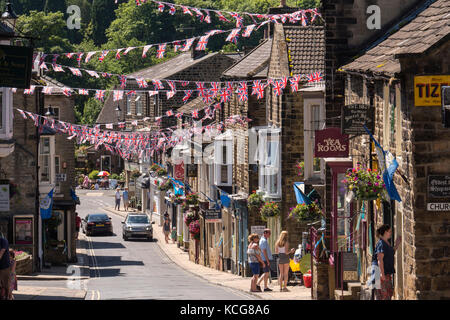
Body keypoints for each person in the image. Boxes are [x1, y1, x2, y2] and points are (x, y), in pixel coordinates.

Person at [372, 224, 401, 300]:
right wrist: (382, 274)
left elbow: (391, 252)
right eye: (390, 231)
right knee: (384, 295)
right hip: (380, 274)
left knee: (388, 293)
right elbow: (380, 260)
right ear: (385, 232)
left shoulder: (386, 243)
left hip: (385, 273)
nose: (391, 233)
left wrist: (397, 245)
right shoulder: (381, 244)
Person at [0, 234, 11, 300]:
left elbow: (2, 252)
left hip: (4, 266)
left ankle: (8, 297)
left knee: (6, 285)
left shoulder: (3, 241)